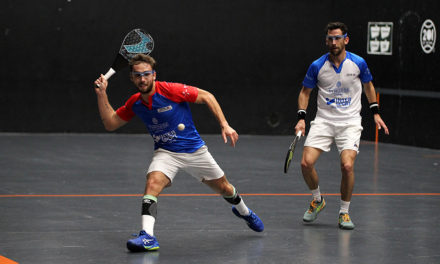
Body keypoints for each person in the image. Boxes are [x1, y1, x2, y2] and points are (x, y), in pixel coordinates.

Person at [94, 54, 264, 252]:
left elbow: (207, 96)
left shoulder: (171, 90)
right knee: (152, 183)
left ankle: (244, 212)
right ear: (132, 78)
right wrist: (101, 94)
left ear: (154, 75)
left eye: (146, 74)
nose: (142, 79)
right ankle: (147, 236)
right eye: (138, 75)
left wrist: (224, 125)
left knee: (225, 188)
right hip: (165, 153)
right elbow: (111, 123)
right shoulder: (136, 103)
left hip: (195, 151)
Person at [294, 22, 389, 230]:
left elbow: (368, 85)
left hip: (350, 123)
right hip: (324, 121)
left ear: (346, 40)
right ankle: (318, 200)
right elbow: (305, 93)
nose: (333, 42)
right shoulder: (317, 66)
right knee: (305, 163)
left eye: (337, 38)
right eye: (330, 38)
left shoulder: (358, 63)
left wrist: (375, 113)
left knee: (347, 166)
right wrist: (301, 118)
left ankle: (344, 212)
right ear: (326, 40)